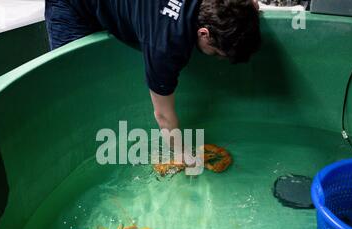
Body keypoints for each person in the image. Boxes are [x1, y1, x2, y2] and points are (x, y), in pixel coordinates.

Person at [45, 0, 261, 164]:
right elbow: (163, 116)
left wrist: (247, 10)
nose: (217, 58)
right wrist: (182, 156)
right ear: (204, 33)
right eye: (216, 53)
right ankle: (75, 156)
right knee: (73, 86)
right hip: (71, 7)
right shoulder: (165, 46)